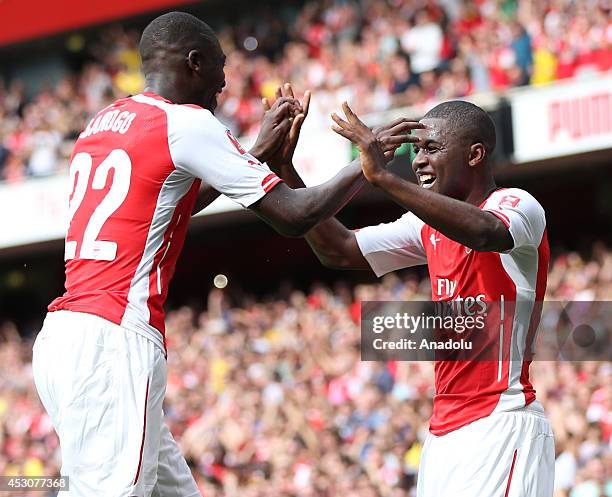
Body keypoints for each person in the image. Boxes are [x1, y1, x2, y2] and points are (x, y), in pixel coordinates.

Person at [31, 11, 418, 497]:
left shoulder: (103, 122)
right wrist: (369, 163)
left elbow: (168, 208)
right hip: (113, 340)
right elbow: (294, 216)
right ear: (194, 63)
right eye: (220, 67)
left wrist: (255, 158)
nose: (224, 83)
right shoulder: (187, 123)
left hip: (66, 336)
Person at [270, 99, 554, 496]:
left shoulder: (516, 204)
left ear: (475, 154)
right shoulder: (425, 226)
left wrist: (384, 179)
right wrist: (285, 170)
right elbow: (338, 249)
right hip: (442, 436)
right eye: (416, 150)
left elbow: (485, 232)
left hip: (501, 422)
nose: (418, 161)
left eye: (431, 149)